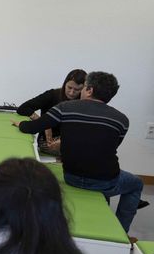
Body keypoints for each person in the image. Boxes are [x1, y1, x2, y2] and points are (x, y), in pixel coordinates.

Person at [15, 71, 146, 231]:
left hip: (71, 177)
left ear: (89, 90)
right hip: (105, 181)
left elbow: (31, 128)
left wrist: (20, 125)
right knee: (137, 183)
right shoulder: (122, 120)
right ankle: (120, 231)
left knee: (126, 181)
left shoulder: (64, 108)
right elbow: (109, 148)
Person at [16, 69, 86, 155]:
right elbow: (23, 108)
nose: (72, 92)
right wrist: (45, 125)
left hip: (71, 139)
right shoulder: (52, 95)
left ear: (84, 89)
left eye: (77, 89)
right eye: (69, 87)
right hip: (49, 141)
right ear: (65, 84)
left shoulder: (85, 102)